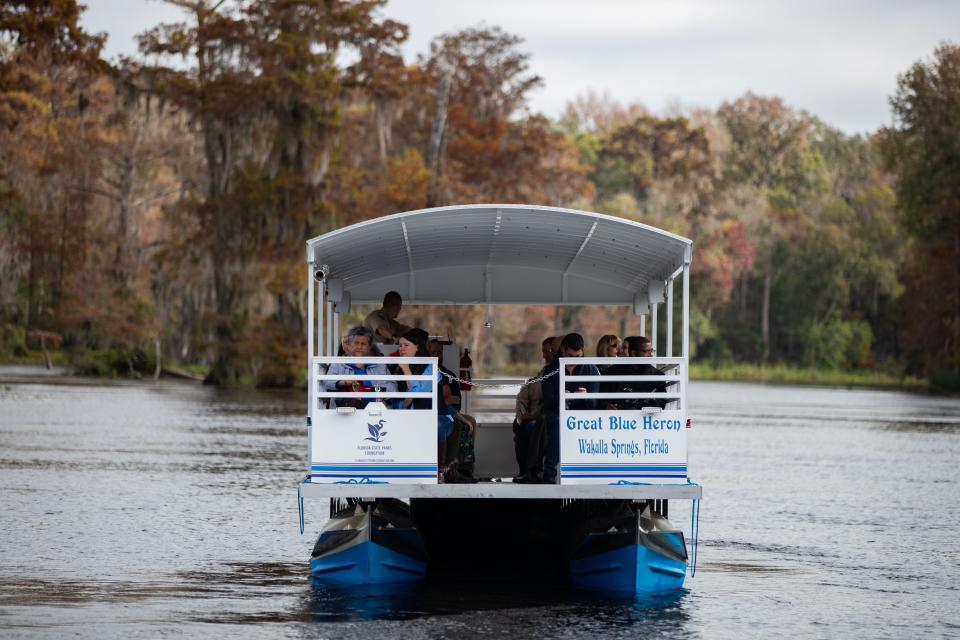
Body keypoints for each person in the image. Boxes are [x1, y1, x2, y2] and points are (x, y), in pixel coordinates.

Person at [540, 333, 600, 483]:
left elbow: (594, 403)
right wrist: (563, 396)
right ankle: (549, 472)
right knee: (560, 423)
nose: (574, 360)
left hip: (583, 415)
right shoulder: (551, 370)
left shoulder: (590, 369)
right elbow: (548, 401)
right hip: (558, 413)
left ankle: (593, 472)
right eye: (570, 356)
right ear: (563, 350)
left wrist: (585, 396)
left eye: (578, 356)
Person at [395, 329, 455, 470]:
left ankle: (437, 469)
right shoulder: (396, 368)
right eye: (400, 345)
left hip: (437, 418)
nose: (401, 349)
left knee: (432, 426)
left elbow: (419, 392)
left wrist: (406, 370)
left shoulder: (431, 367)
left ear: (418, 347)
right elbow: (399, 401)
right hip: (411, 416)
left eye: (406, 345)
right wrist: (404, 403)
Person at [428, 338, 477, 471]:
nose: (436, 356)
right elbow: (444, 401)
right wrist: (448, 399)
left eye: (439, 352)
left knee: (471, 421)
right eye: (432, 353)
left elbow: (457, 401)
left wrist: (448, 399)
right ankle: (450, 468)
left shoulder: (449, 374)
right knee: (456, 424)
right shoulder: (424, 373)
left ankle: (466, 468)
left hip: (449, 411)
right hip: (433, 414)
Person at [512, 336, 554, 482]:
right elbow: (525, 394)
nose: (545, 355)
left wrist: (533, 415)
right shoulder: (543, 371)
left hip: (544, 416)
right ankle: (524, 469)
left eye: (548, 351)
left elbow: (547, 400)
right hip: (532, 414)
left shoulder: (555, 372)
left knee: (531, 426)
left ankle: (533, 470)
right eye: (543, 351)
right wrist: (522, 414)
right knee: (518, 425)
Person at [322, 326, 395, 408]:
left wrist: (380, 390)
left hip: (375, 411)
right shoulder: (338, 363)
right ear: (349, 345)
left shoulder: (380, 366)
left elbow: (392, 388)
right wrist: (343, 382)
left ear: (369, 348)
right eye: (356, 343)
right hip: (345, 412)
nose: (359, 347)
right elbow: (327, 383)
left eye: (363, 344)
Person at [600, 336, 667, 410]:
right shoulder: (611, 373)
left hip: (645, 419)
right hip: (615, 419)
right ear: (634, 353)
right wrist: (606, 406)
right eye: (646, 351)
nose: (650, 355)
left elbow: (660, 403)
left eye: (651, 351)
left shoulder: (657, 375)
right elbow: (600, 400)